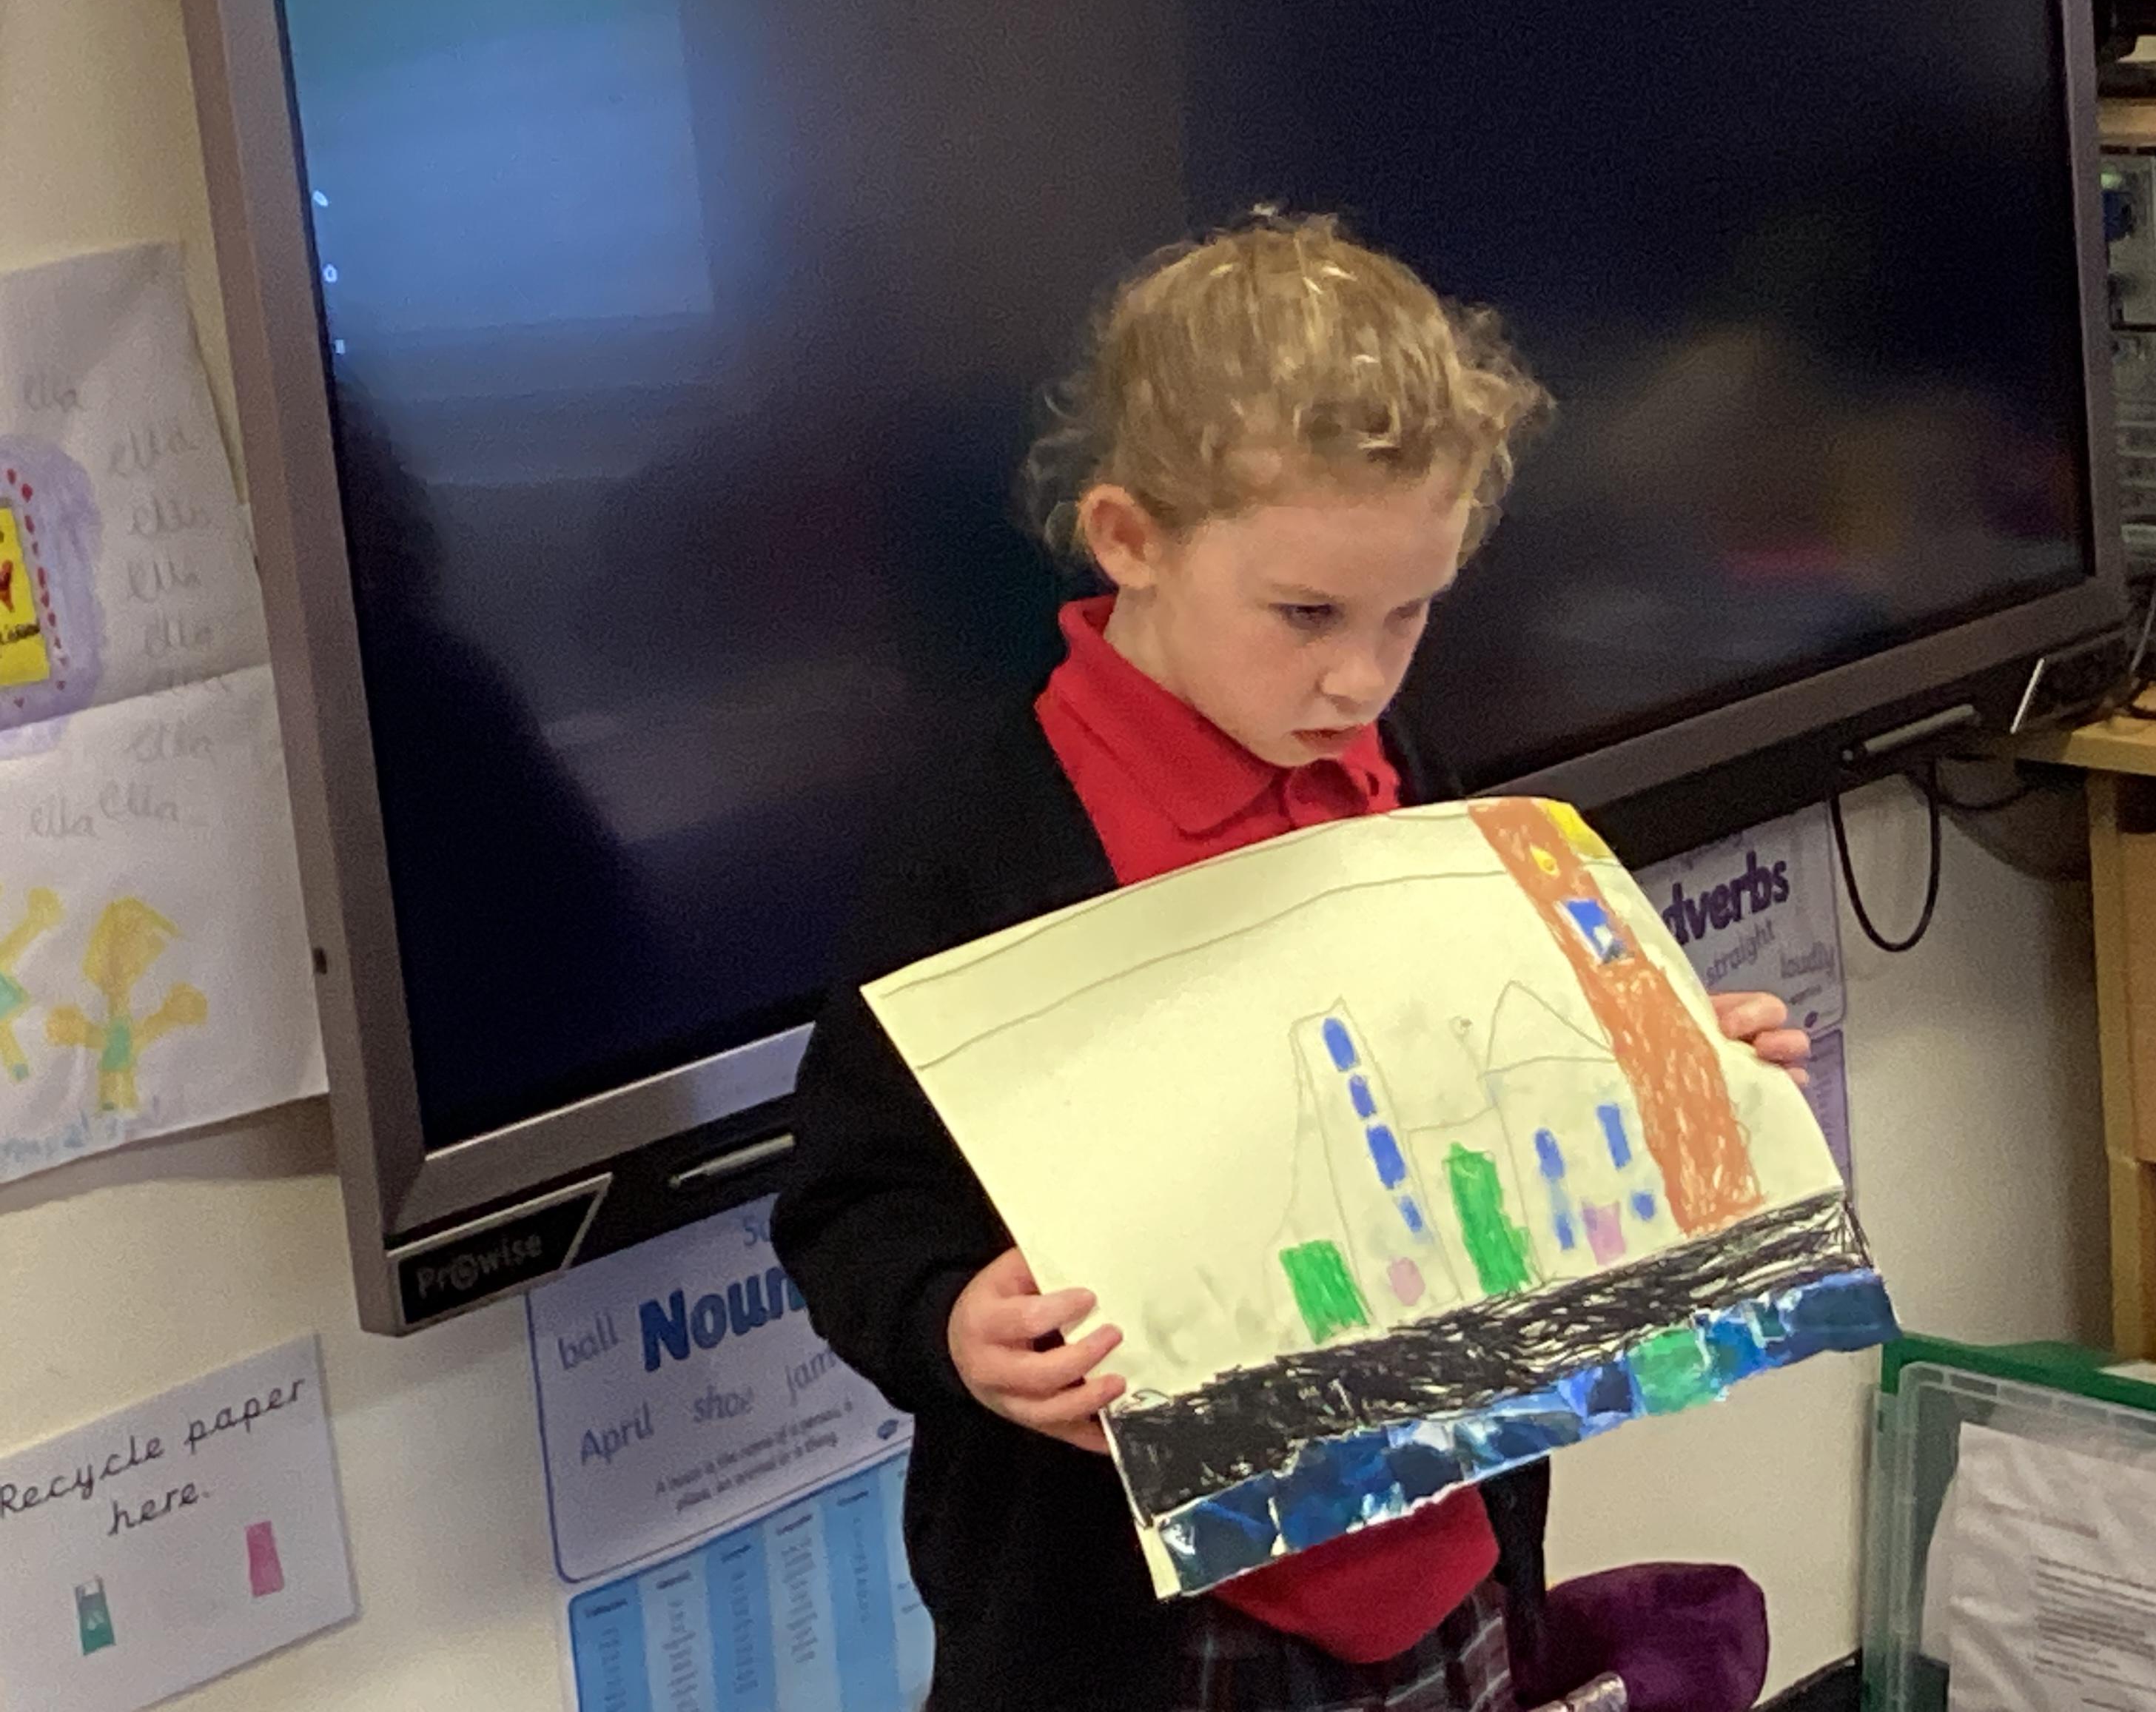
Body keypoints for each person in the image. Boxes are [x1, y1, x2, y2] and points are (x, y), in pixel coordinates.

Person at [773, 212, 1813, 1712]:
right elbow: (851, 1198)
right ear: (1131, 538)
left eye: (1410, 614)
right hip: (1146, 1629)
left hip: (1441, 1558)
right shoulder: (987, 843)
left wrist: (1661, 1077)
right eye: (1307, 614)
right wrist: (953, 1322)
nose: (1360, 676)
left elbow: (1464, 1080)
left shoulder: (1396, 769)